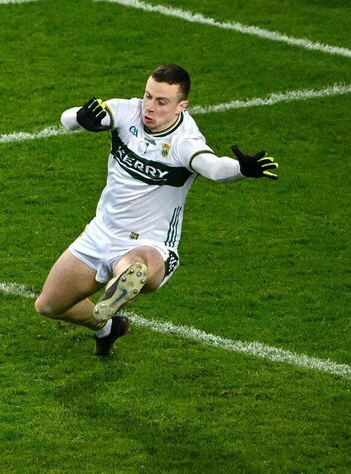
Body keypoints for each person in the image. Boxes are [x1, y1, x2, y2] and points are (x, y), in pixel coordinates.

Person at [34, 64, 278, 356]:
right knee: (48, 305)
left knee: (137, 265)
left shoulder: (184, 141)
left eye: (161, 102)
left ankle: (122, 283)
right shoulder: (126, 112)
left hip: (150, 243)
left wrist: (241, 169)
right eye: (148, 96)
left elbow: (213, 167)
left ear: (181, 106)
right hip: (101, 231)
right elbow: (67, 120)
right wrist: (80, 117)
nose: (150, 107)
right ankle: (107, 327)